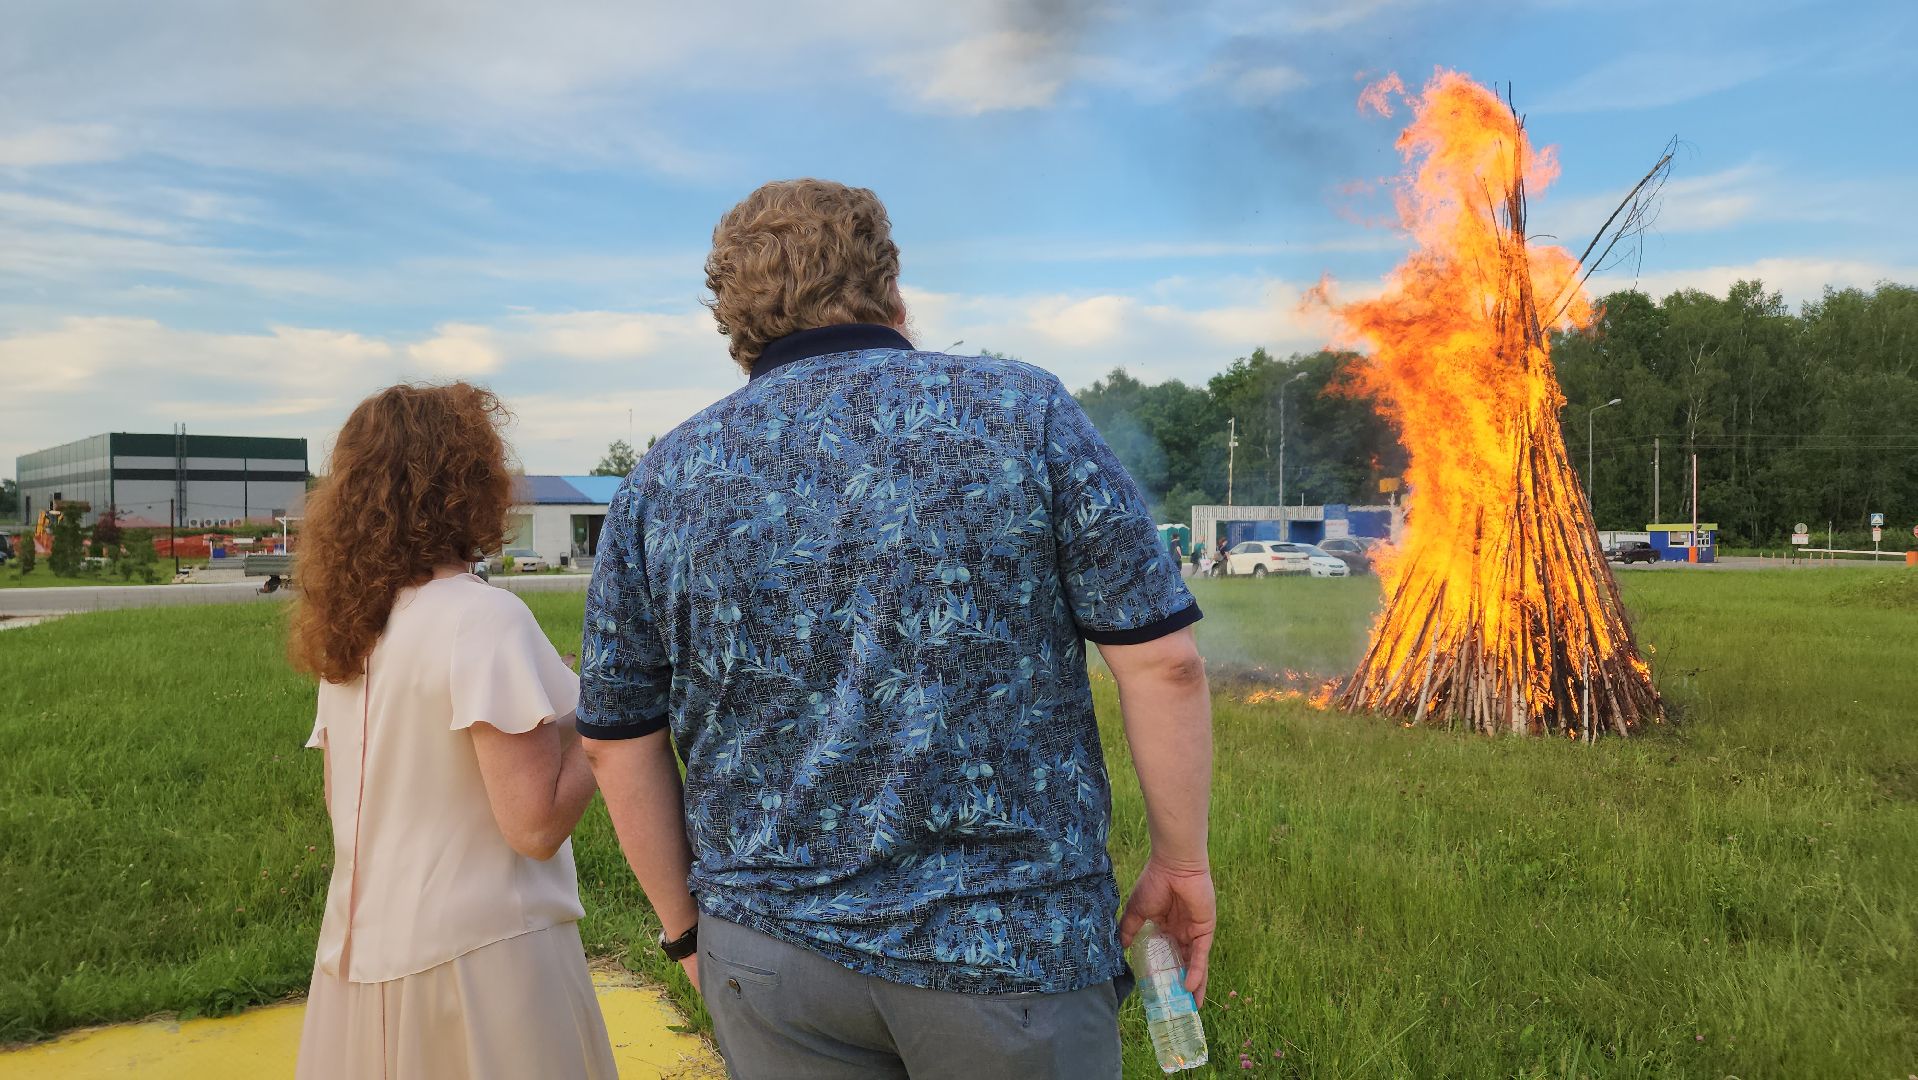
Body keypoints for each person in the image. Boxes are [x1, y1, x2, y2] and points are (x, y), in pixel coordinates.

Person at [578, 179, 1215, 1080]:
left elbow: (615, 739)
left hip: (768, 955)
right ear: (889, 282)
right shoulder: (1020, 412)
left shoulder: (661, 479)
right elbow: (1165, 666)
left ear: (732, 315)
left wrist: (688, 935)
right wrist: (1182, 862)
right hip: (1010, 953)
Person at [289, 383, 615, 1079]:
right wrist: (604, 717)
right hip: (484, 969)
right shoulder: (482, 618)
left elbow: (366, 800)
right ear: (468, 481)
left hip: (358, 963)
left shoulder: (351, 634)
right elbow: (534, 828)